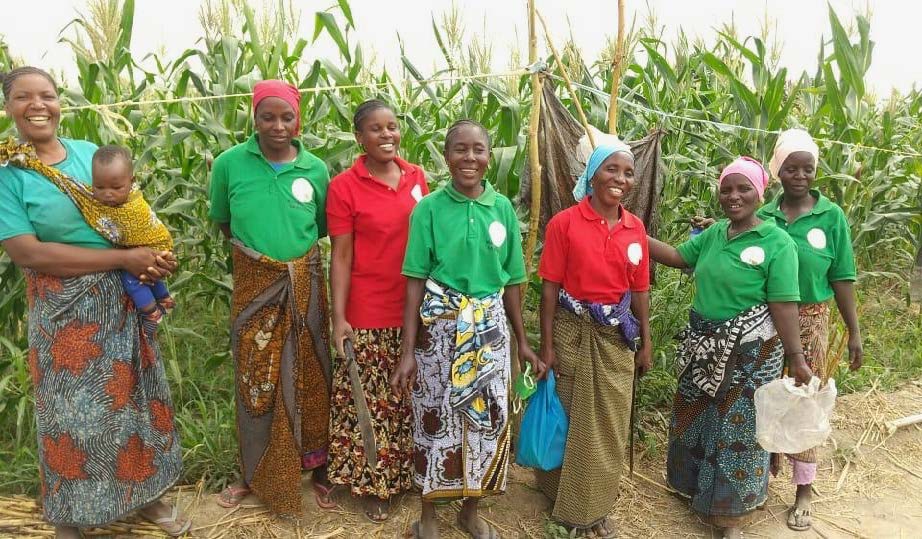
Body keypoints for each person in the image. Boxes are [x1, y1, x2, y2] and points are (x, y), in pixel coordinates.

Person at [0, 67, 187, 537]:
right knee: (71, 416)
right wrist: (124, 257)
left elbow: (133, 209)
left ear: (61, 101)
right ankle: (71, 515)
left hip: (124, 299)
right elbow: (28, 252)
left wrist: (154, 255)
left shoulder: (90, 156)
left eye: (47, 95)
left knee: (137, 401)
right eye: (24, 98)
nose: (38, 105)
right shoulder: (9, 175)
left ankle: (148, 497)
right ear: (8, 108)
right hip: (66, 313)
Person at [648, 156, 812, 539]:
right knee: (696, 419)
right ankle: (694, 490)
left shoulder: (777, 242)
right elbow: (676, 256)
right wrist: (630, 230)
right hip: (703, 346)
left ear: (761, 192)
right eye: (726, 189)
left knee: (737, 432)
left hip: (751, 356)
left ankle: (730, 518)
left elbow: (783, 304)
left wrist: (797, 358)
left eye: (743, 189)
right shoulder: (716, 233)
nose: (733, 196)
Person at [390, 119, 540, 539]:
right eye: (460, 149)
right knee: (432, 420)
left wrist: (522, 343)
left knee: (485, 423)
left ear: (489, 157)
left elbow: (512, 281)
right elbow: (415, 280)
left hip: (490, 332)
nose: (469, 158)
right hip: (439, 331)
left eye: (478, 150)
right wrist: (406, 353)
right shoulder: (429, 209)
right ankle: (429, 518)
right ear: (446, 154)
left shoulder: (502, 210)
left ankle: (470, 512)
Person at [208, 79, 334, 515]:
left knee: (313, 371)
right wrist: (263, 262)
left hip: (306, 283)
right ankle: (254, 471)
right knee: (255, 377)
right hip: (253, 284)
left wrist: (290, 265)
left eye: (287, 117)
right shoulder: (229, 164)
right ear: (254, 117)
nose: (278, 126)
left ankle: (317, 466)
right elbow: (223, 221)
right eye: (268, 117)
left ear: (298, 118)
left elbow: (318, 228)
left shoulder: (316, 169)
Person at [534, 137, 652, 538]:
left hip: (616, 338)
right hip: (572, 332)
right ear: (591, 175)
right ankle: (559, 499)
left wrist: (646, 342)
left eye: (628, 172)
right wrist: (547, 346)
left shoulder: (635, 229)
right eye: (611, 169)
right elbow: (549, 289)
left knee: (608, 424)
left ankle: (595, 507)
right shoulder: (564, 223)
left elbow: (639, 291)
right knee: (567, 415)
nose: (620, 178)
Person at [325, 99, 429, 522]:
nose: (387, 135)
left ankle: (406, 477)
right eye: (375, 129)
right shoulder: (344, 187)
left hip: (414, 306)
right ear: (359, 137)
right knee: (371, 400)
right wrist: (339, 316)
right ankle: (374, 486)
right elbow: (342, 257)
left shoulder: (417, 177)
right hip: (368, 308)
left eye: (392, 126)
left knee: (406, 398)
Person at [760, 129, 862, 532]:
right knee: (765, 397)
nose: (800, 175)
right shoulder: (764, 213)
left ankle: (803, 488)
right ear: (777, 171)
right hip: (763, 320)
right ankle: (761, 474)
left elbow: (842, 276)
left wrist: (853, 332)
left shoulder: (830, 216)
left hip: (811, 322)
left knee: (804, 401)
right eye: (791, 167)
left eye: (807, 168)